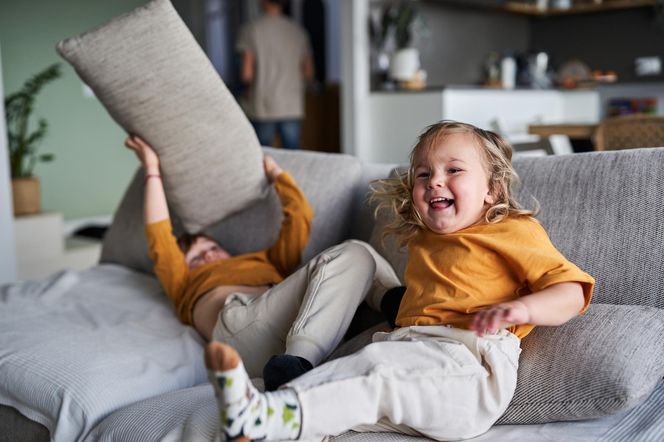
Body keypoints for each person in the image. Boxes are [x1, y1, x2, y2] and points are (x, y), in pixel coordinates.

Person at [203, 120, 596, 441]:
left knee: (378, 378)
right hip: (407, 348)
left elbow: (571, 290)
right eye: (424, 174)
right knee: (350, 381)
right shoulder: (426, 237)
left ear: (491, 189)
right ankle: (269, 421)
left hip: (466, 366)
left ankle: (267, 417)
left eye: (453, 170)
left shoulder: (512, 230)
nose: (435, 181)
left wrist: (523, 307)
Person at [125, 135, 400, 391]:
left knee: (361, 254)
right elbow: (159, 233)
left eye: (210, 247)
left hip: (306, 322)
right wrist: (151, 168)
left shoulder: (267, 261)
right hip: (241, 330)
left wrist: (277, 177)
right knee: (353, 252)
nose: (207, 255)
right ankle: (296, 366)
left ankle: (398, 304)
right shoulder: (183, 281)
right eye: (196, 258)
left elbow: (299, 217)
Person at [236, 0, 314, 149]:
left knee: (263, 159)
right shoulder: (298, 31)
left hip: (263, 106)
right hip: (291, 105)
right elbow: (309, 73)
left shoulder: (251, 30)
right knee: (294, 158)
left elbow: (246, 74)